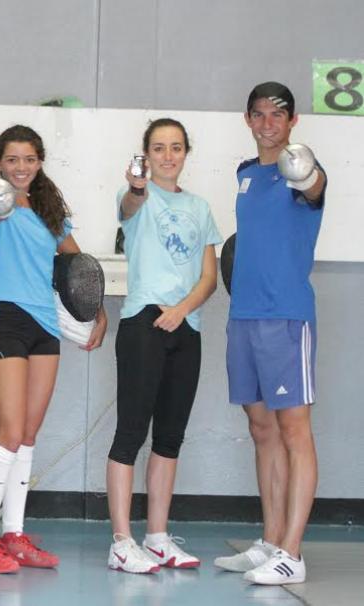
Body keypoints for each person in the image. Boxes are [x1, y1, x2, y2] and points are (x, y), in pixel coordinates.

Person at [0, 125, 107, 574]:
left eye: (28, 159)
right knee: (8, 433)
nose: (20, 167)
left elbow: (77, 267)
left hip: (44, 326)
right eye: (12, 159)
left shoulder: (50, 212)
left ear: (40, 162)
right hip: (1, 320)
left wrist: (95, 311)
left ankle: (14, 533)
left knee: (27, 435)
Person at [214, 82, 326, 586]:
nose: (267, 123)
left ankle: (293, 554)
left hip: (286, 318)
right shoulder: (245, 174)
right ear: (248, 119)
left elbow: (314, 184)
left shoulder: (301, 171)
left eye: (277, 115)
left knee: (294, 432)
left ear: (292, 121)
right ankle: (272, 539)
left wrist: (305, 169)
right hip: (245, 317)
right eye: (258, 114)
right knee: (262, 430)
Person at [104, 118, 221, 574]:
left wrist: (182, 309)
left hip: (185, 327)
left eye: (175, 148)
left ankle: (156, 536)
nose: (167, 155)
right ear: (146, 155)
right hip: (144, 324)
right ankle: (120, 541)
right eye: (158, 148)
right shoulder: (137, 196)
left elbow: (209, 277)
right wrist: (136, 187)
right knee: (131, 433)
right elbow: (131, 204)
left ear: (185, 153)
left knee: (169, 438)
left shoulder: (200, 206)